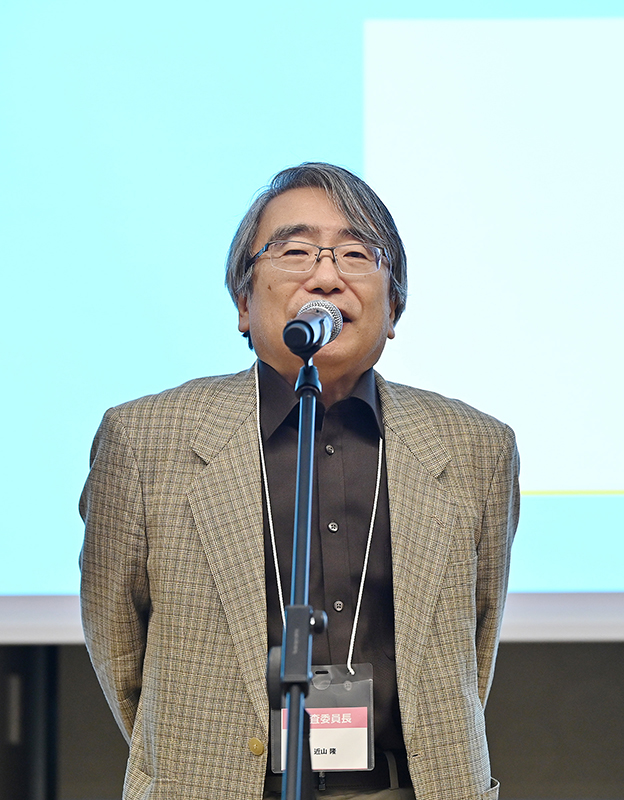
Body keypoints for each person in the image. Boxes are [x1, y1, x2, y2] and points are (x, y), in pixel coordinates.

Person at [80, 162, 519, 799]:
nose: (326, 276)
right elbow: (119, 648)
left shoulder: (474, 447)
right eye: (294, 252)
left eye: (356, 254)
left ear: (393, 307)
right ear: (243, 302)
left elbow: (473, 650)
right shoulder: (146, 440)